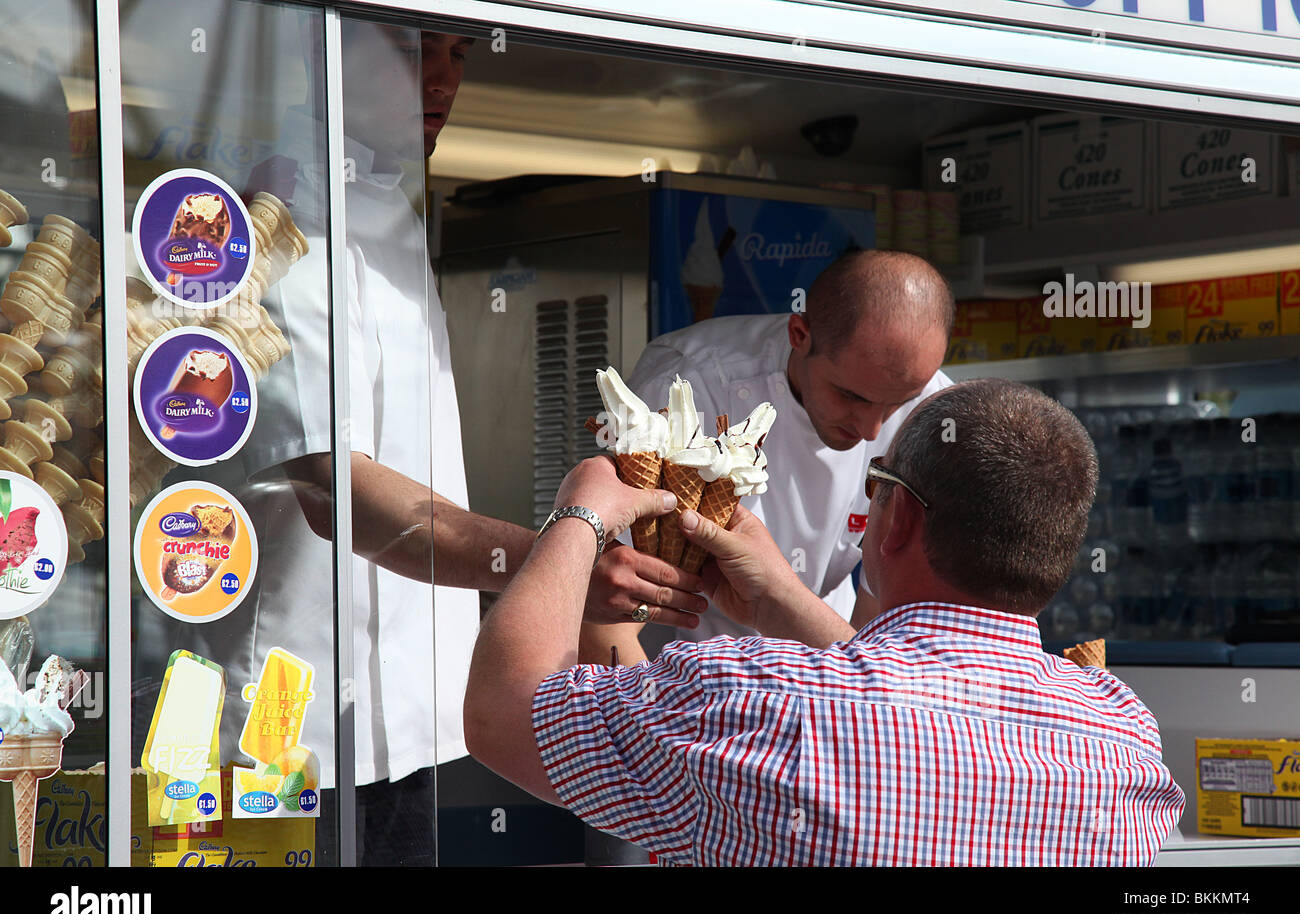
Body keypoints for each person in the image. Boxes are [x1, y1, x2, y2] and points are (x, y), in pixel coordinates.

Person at [188, 23, 703, 865]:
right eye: (412, 48)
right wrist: (555, 563)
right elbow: (329, 487)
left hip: (414, 717)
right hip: (288, 730)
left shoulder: (389, 210)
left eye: (460, 53)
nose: (442, 79)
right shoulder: (268, 219)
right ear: (324, 50)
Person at [464, 378, 1186, 866]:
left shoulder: (755, 700)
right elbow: (921, 715)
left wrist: (580, 514)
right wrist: (786, 602)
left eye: (878, 485)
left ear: (895, 516)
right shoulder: (1122, 736)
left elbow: (504, 711)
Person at [585, 250, 952, 665]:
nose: (871, 430)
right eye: (851, 396)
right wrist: (657, 720)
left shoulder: (935, 407)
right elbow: (610, 609)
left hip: (827, 655)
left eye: (897, 404)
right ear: (800, 333)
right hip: (675, 668)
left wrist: (855, 691)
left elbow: (884, 607)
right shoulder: (690, 384)